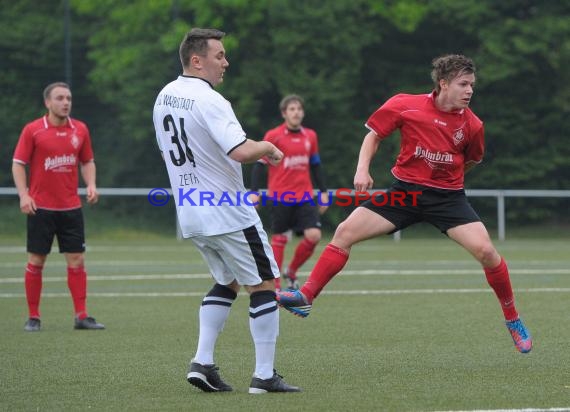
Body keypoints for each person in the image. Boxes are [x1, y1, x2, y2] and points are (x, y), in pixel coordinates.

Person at [277, 54, 532, 354]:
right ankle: (306, 297)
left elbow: (472, 161)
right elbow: (374, 136)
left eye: (472, 85)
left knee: (487, 252)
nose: (469, 91)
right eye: (463, 84)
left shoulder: (473, 125)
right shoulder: (404, 104)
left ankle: (513, 319)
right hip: (405, 194)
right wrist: (362, 169)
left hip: (447, 199)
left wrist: (447, 177)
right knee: (344, 231)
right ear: (443, 83)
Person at [152, 28, 301, 393]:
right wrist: (268, 146)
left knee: (228, 280)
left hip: (191, 209)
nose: (226, 62)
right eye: (219, 55)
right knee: (265, 284)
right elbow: (239, 150)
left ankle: (202, 363)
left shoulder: (164, 96)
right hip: (227, 210)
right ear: (197, 60)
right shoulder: (211, 100)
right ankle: (264, 377)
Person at [12, 82, 105, 332]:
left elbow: (87, 161)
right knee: (36, 260)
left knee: (76, 260)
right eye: (60, 98)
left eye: (69, 98)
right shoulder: (33, 130)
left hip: (70, 208)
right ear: (48, 103)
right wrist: (24, 195)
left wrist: (92, 184)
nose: (66, 102)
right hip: (40, 208)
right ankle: (33, 317)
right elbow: (18, 163)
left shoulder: (80, 129)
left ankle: (81, 316)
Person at [250, 94, 328, 290]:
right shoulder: (273, 136)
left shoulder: (310, 136)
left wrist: (324, 192)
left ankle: (291, 271)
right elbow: (259, 165)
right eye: (292, 109)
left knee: (314, 235)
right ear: (284, 113)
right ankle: (275, 284)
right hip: (281, 195)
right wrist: (254, 191)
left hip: (305, 196)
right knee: (280, 238)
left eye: (299, 109)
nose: (296, 112)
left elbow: (316, 165)